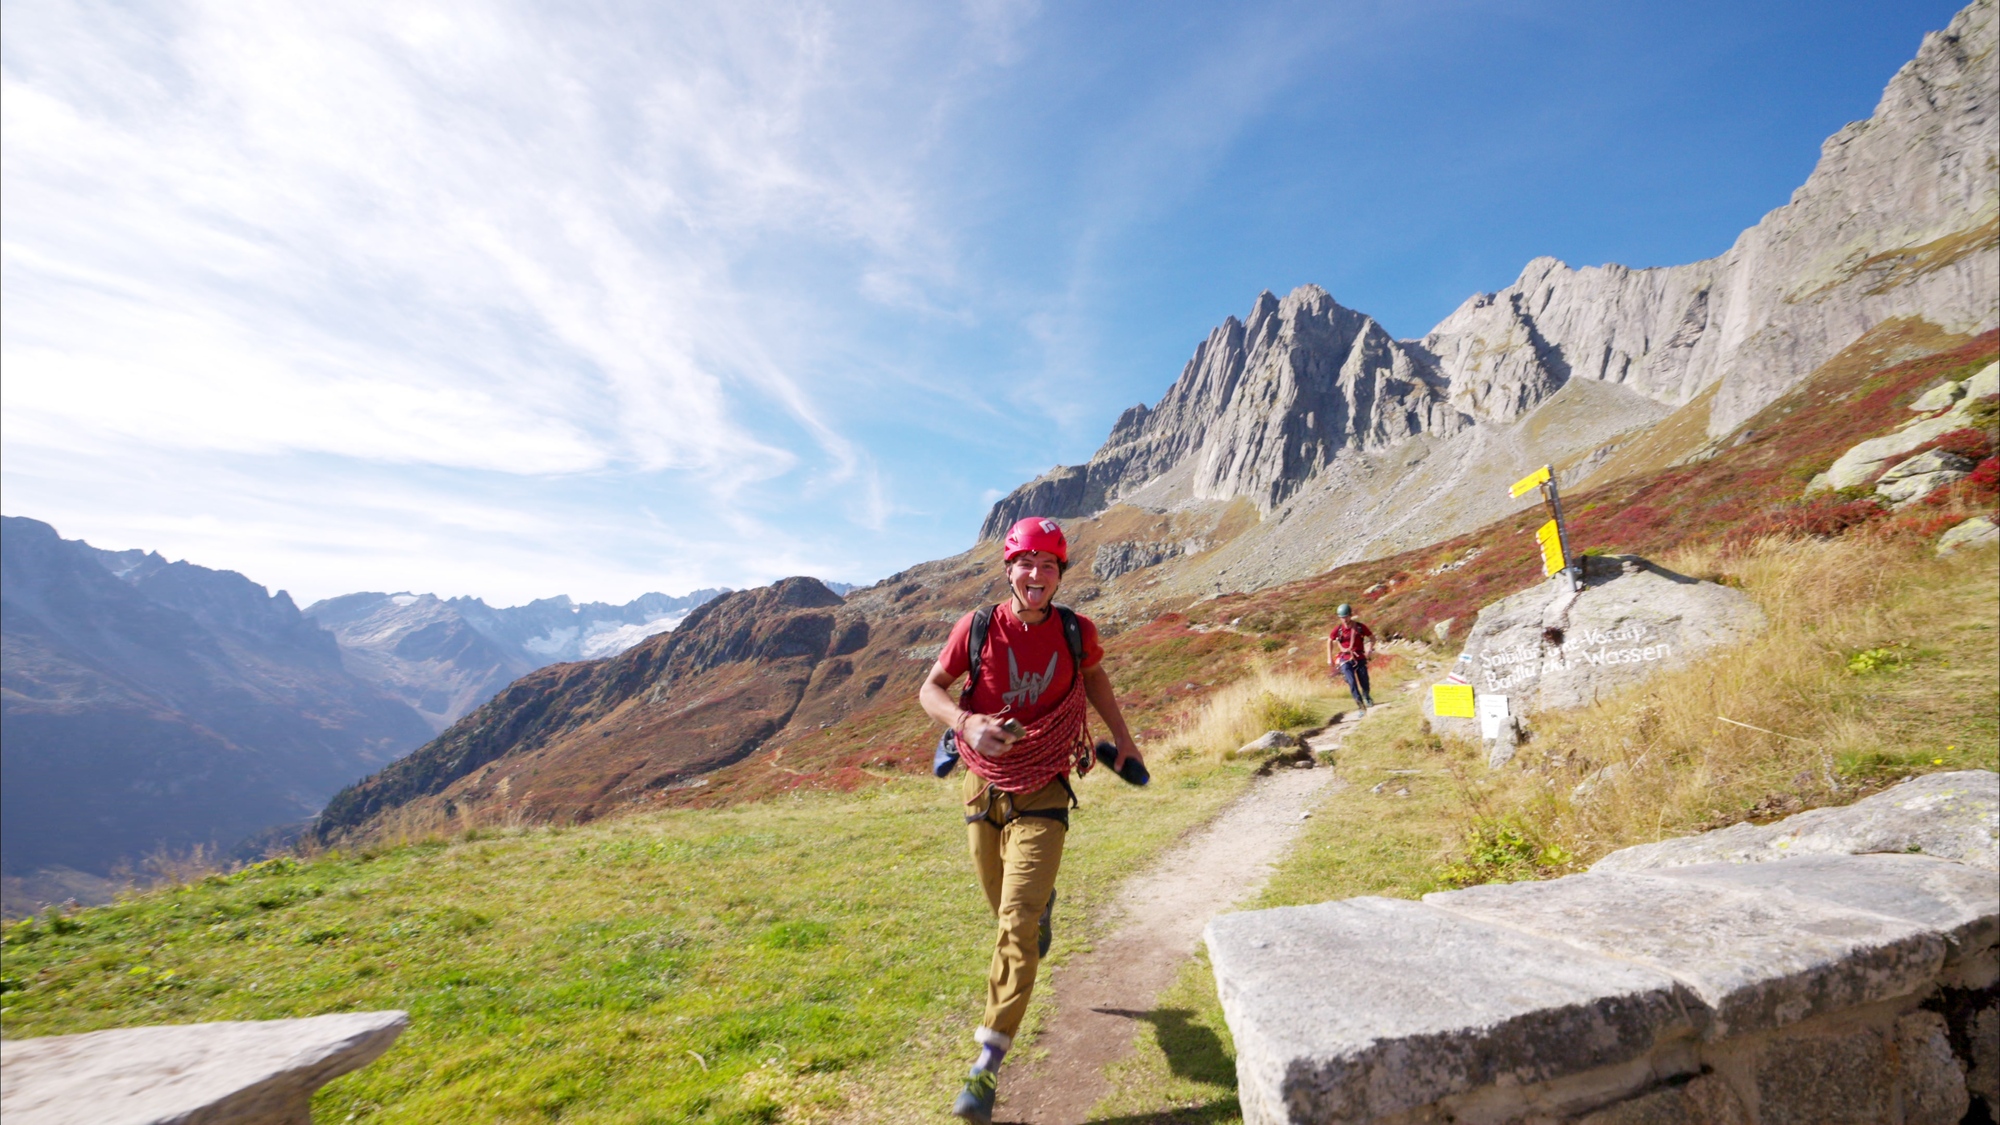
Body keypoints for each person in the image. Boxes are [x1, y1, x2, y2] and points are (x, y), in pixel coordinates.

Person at [918, 516, 1144, 1124]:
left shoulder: (1077, 632)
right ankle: (1038, 909)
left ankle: (986, 1063)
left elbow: (1094, 675)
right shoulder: (978, 628)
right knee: (1004, 908)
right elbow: (932, 689)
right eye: (1026, 564)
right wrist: (965, 724)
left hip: (1046, 786)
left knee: (1015, 924)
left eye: (1049, 566)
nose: (1037, 575)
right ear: (1010, 569)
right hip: (981, 784)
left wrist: (1123, 739)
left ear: (1061, 574)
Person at [1327, 602, 1375, 712]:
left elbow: (1372, 638)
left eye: (1345, 617)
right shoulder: (1338, 629)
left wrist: (1369, 649)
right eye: (1341, 617)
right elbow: (1329, 640)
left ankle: (1366, 696)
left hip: (1359, 657)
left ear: (1350, 615)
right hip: (1345, 659)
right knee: (1351, 681)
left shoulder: (1360, 627)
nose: (1344, 619)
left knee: (1364, 682)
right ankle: (1360, 706)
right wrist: (1329, 657)